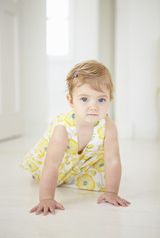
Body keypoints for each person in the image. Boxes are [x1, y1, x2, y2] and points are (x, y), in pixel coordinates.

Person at [20, 60, 131, 216]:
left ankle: (72, 176)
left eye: (101, 99)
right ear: (71, 100)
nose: (93, 106)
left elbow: (113, 160)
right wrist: (46, 198)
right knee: (44, 171)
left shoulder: (109, 126)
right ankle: (37, 174)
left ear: (110, 100)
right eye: (84, 99)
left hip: (81, 164)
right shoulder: (62, 128)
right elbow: (51, 164)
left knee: (94, 179)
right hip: (52, 162)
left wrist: (111, 192)